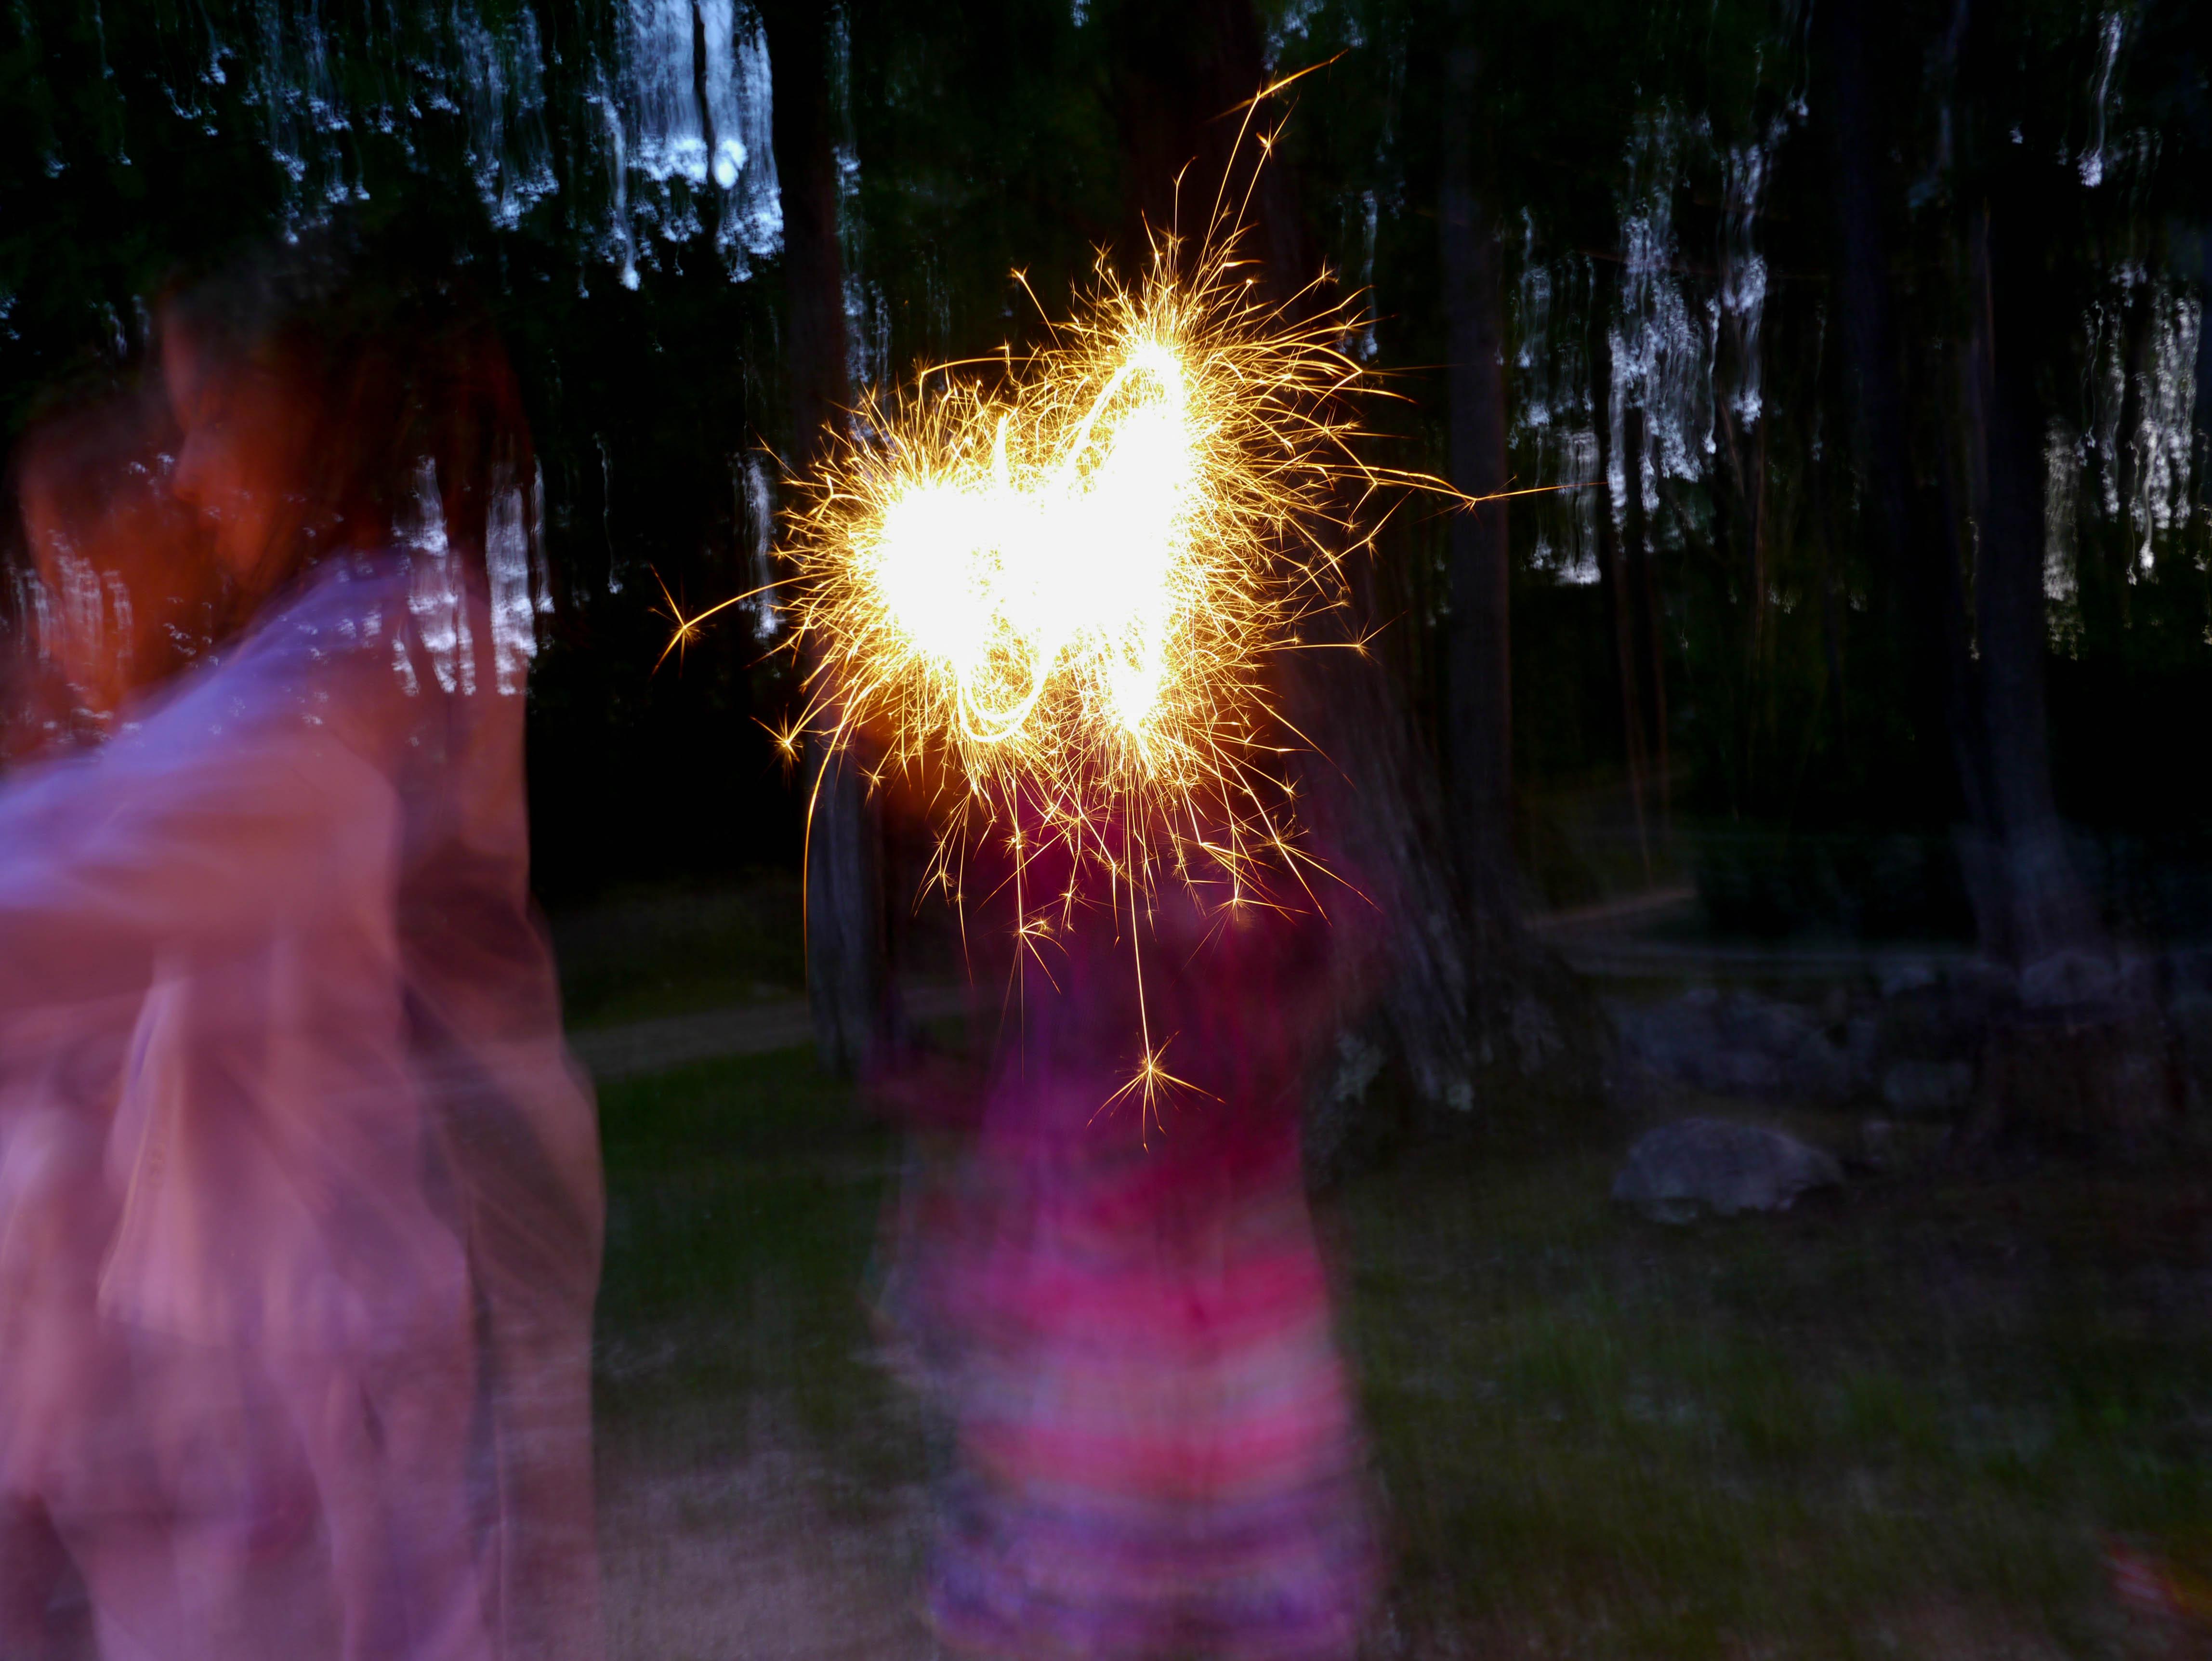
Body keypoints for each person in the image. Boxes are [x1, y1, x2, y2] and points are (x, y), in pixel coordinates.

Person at [0, 237, 604, 1661]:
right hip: (312, 1348)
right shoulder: (329, 651)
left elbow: (138, 851)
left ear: (314, 408)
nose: (193, 478)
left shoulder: (385, 650)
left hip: (351, 1343)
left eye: (212, 421)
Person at [874, 810, 1381, 1661]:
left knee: (1176, 1599)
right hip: (1118, 1320)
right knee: (1115, 1601)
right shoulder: (1052, 848)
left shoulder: (1222, 858)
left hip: (1199, 1322)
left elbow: (1336, 942)